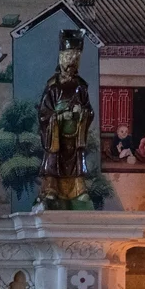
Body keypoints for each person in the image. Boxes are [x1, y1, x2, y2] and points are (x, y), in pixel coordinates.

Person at [33, 29, 94, 211]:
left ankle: (78, 190)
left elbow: (89, 110)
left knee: (77, 160)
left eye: (75, 59)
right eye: (68, 58)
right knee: (53, 158)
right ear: (61, 58)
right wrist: (59, 117)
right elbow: (44, 113)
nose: (71, 63)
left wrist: (82, 113)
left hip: (74, 135)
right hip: (57, 135)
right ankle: (51, 188)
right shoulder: (53, 86)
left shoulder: (81, 87)